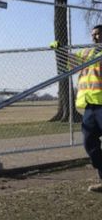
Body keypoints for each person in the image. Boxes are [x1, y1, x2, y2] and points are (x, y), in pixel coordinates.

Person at [65, 25, 102, 192]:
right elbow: (69, 63)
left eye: (98, 34)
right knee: (89, 142)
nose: (95, 37)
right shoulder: (87, 53)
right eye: (93, 35)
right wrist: (59, 49)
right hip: (89, 105)